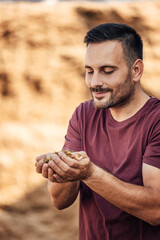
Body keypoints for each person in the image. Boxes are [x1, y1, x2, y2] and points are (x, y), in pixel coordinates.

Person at [36, 23, 160, 240]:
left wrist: (90, 174)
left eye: (107, 71)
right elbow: (60, 201)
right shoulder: (83, 114)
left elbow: (156, 210)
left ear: (136, 70)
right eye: (89, 71)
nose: (94, 83)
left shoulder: (156, 120)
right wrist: (59, 171)